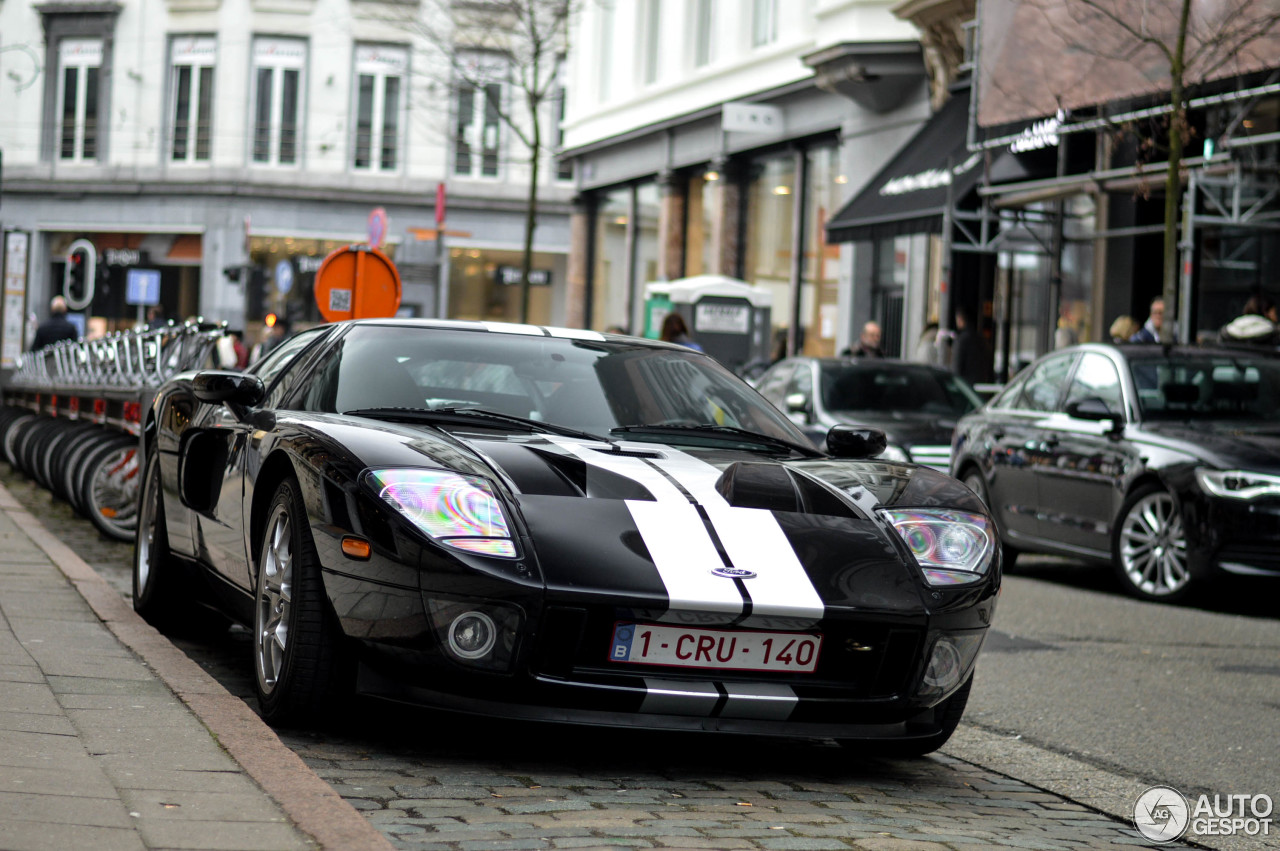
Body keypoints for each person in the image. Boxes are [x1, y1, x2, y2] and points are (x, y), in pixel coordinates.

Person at [951, 310, 992, 384]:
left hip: (965, 385)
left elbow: (956, 367)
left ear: (960, 319)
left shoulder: (961, 340)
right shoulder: (981, 339)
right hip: (981, 384)